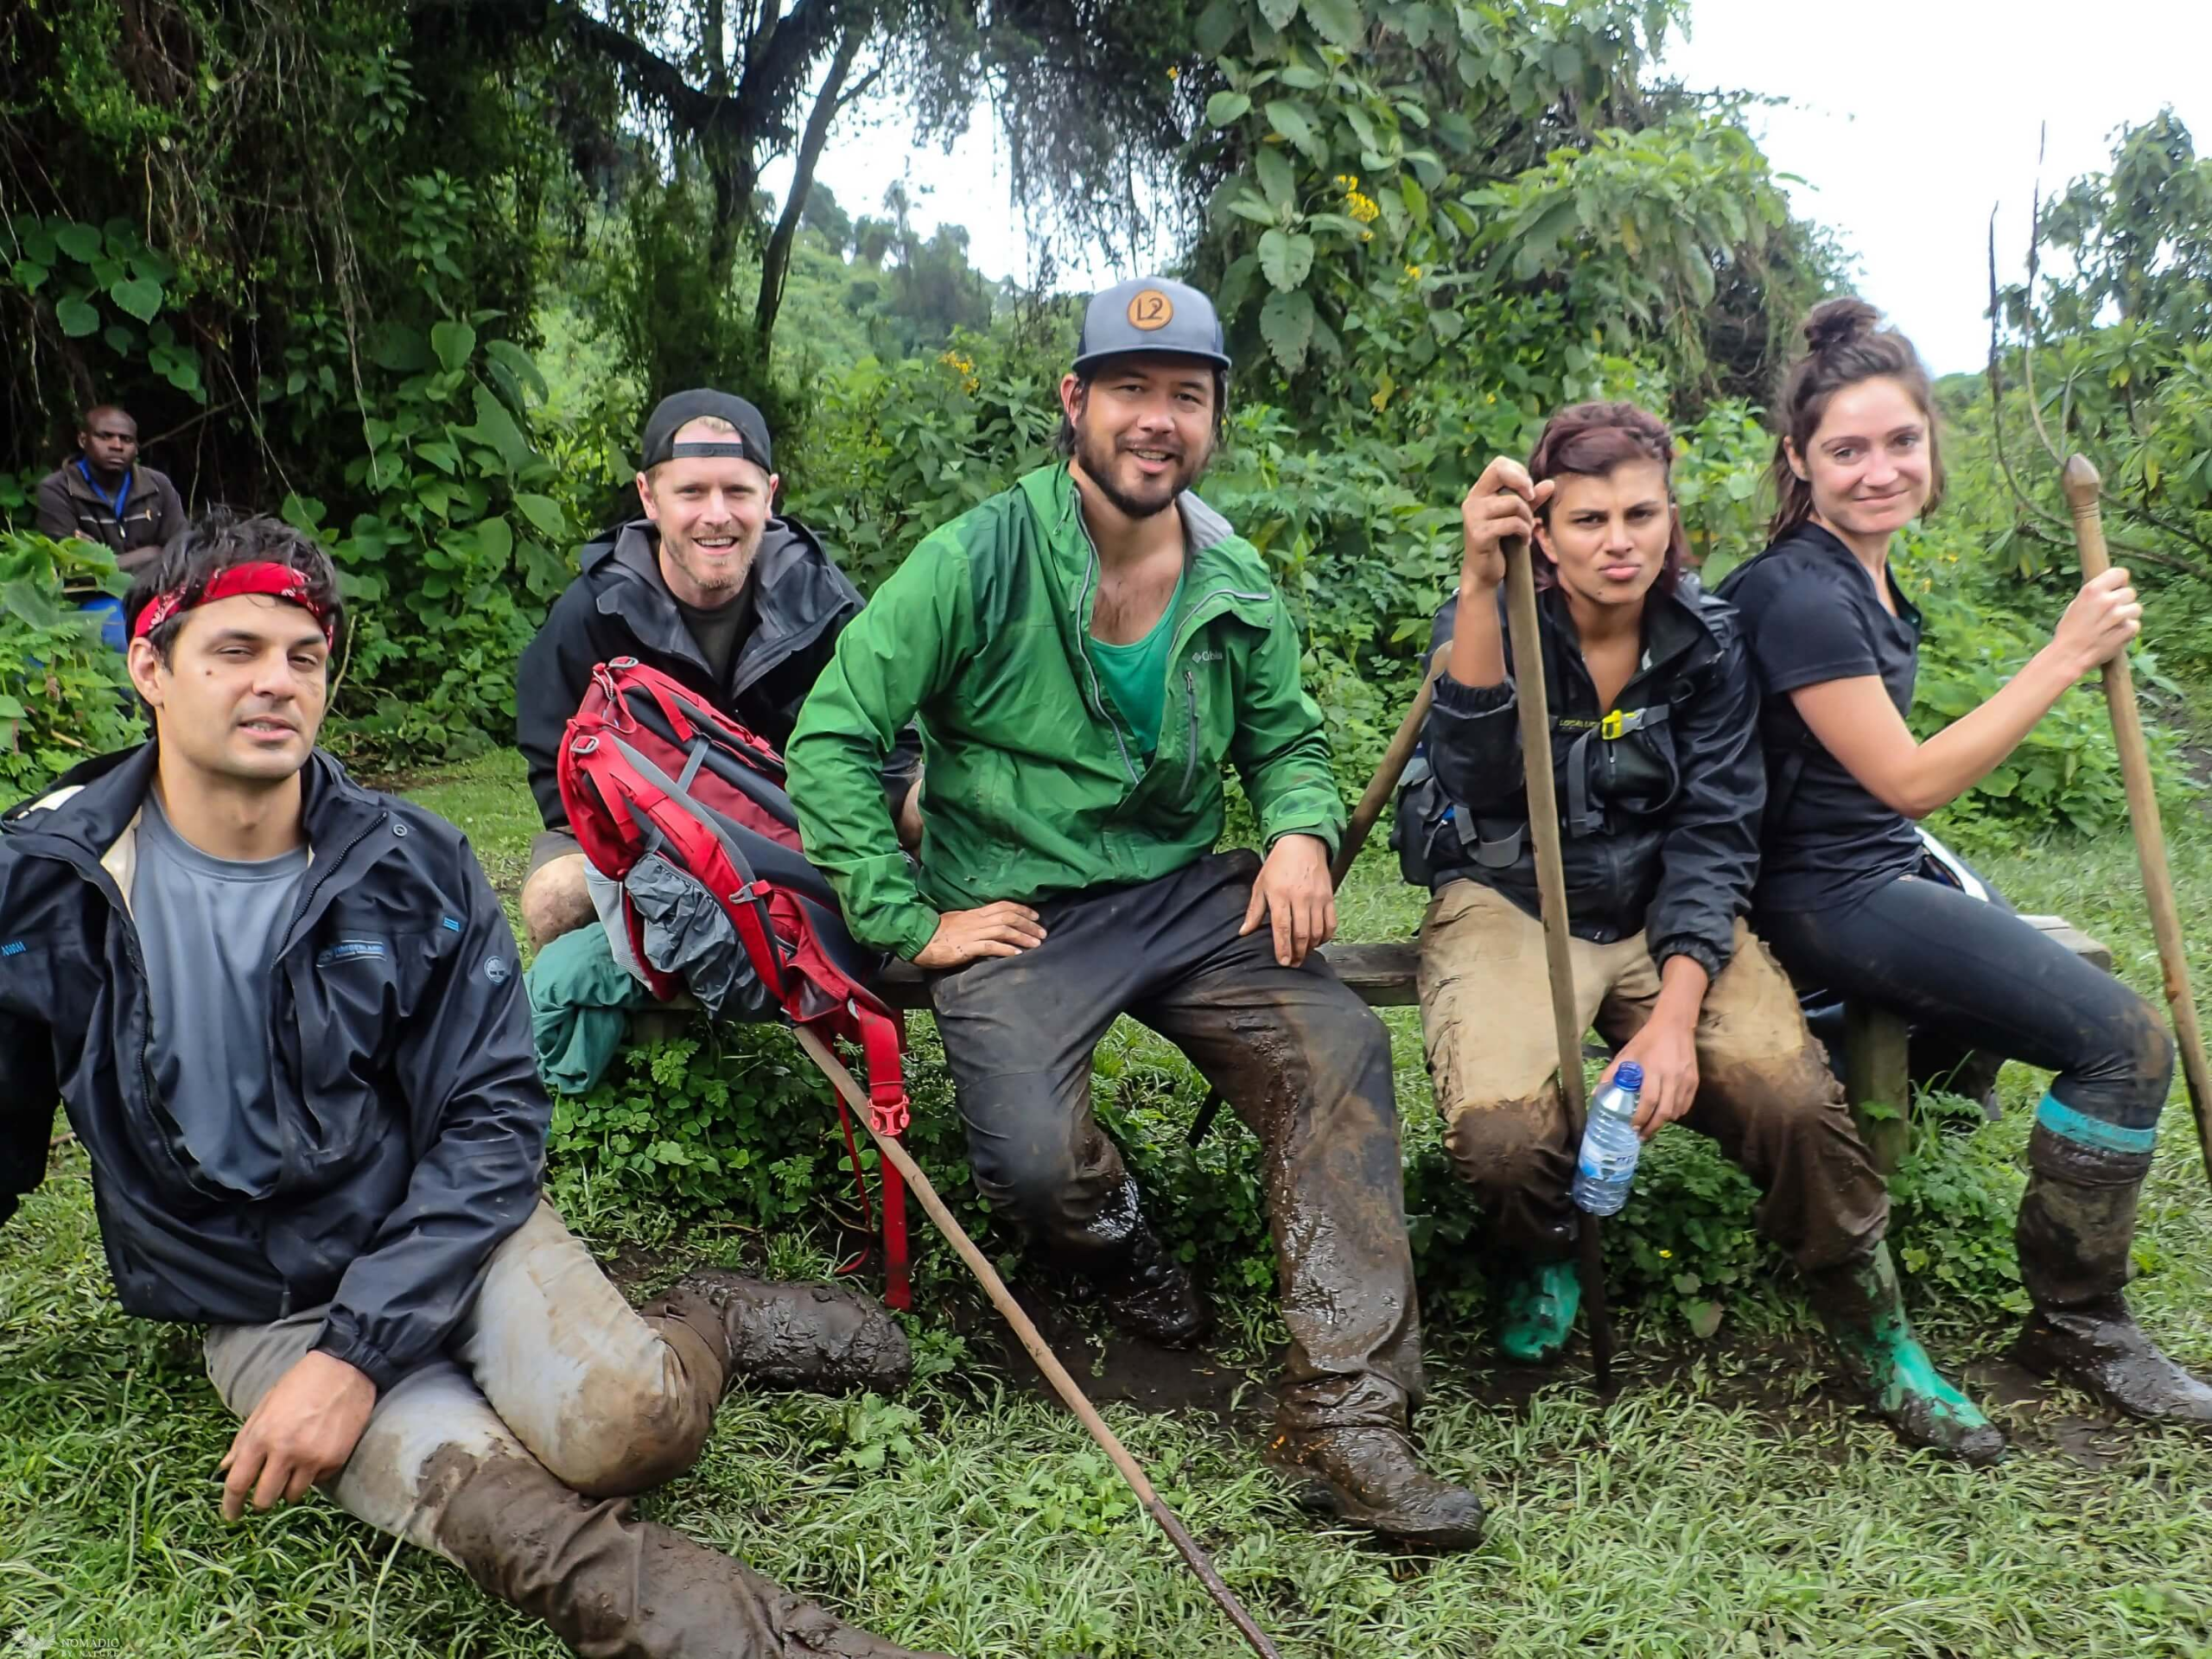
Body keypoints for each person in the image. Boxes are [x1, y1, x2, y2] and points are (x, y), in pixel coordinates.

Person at [0, 510, 943, 1659]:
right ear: (151, 665)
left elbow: (494, 1118)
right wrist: (325, 1357)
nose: (277, 685)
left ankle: (714, 1320)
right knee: (513, 1523)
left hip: (450, 1229)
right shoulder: (45, 883)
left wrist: (357, 1357)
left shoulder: (414, 864)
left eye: (303, 657)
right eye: (233, 651)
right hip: (261, 1302)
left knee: (630, 1428)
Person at [785, 277, 1486, 1549]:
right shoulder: (976, 557)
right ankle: (1116, 1242)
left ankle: (1348, 1411)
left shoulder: (1235, 578)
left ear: (1214, 419)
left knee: (1337, 1053)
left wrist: (1294, 833)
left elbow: (1289, 742)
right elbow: (832, 739)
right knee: (1035, 1166)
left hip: (1180, 895)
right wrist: (909, 922)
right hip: (1016, 905)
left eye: (1186, 397)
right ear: (1075, 403)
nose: (1156, 420)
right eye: (1130, 391)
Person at [1405, 403, 1998, 1461]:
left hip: (1661, 907)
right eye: (1587, 519)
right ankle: (1541, 1252)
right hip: (1510, 902)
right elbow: (1480, 779)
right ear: (1542, 531)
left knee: (1788, 1096)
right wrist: (1478, 582)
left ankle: (1877, 1332)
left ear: (1670, 516)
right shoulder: (1490, 614)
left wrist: (1676, 1016)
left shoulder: (1709, 639)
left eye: (1640, 513)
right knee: (1502, 1139)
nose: (1618, 540)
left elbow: (1717, 829)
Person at [1721, 297, 2212, 1432]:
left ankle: (1879, 1099)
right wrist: (2066, 653)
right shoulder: (1800, 592)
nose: (1880, 469)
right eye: (1847, 449)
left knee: (2002, 977)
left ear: (1931, 445)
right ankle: (2080, 1320)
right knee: (2124, 1041)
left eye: (1902, 441)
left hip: (1871, 862)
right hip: (1815, 891)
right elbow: (1909, 779)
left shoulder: (1865, 576)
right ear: (1800, 460)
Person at [515, 390, 921, 950]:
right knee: (553, 899)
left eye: (737, 490)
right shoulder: (593, 609)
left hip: (798, 828)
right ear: (649, 497)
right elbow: (553, 764)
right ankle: (637, 1011)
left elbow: (897, 741)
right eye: (691, 492)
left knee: (939, 803)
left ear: (769, 495)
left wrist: (823, 824)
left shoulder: (823, 598)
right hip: (644, 843)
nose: (716, 514)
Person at [34, 403, 187, 572]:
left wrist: (99, 560)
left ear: (136, 449)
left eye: (126, 439)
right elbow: (69, 567)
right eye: (105, 436)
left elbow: (181, 553)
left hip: (155, 591)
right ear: (83, 441)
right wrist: (152, 554)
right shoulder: (57, 489)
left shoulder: (158, 485)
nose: (117, 446)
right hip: (90, 595)